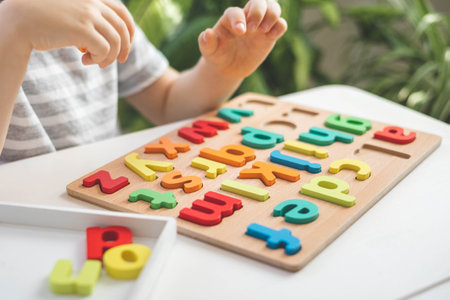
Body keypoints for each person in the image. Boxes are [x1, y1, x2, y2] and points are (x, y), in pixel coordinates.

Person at [0, 0, 287, 162]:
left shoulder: (97, 9)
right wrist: (14, 28)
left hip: (97, 205)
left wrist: (222, 71)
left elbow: (167, 103)